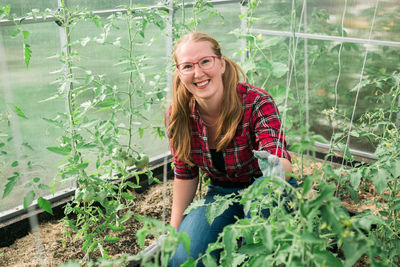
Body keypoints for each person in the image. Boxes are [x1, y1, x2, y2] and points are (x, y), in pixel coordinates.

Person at [165, 32, 295, 266]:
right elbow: (185, 174)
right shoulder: (179, 115)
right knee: (182, 258)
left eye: (205, 61)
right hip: (222, 193)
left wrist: (277, 168)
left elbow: (278, 155)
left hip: (267, 187)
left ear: (221, 64)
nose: (198, 73)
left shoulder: (256, 102)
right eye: (187, 66)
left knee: (255, 254)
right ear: (179, 73)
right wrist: (174, 234)